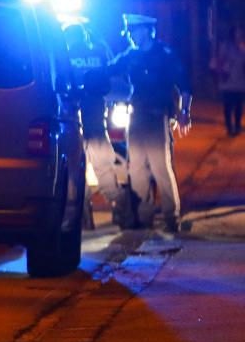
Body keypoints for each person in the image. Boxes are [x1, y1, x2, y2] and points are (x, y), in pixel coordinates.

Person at [110, 14, 192, 233]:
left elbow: (184, 85)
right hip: (136, 117)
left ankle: (171, 218)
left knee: (160, 168)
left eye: (133, 31)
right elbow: (109, 70)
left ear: (146, 30)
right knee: (136, 169)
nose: (130, 36)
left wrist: (184, 112)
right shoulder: (130, 55)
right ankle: (144, 218)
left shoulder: (164, 55)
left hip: (157, 118)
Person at [63, 23, 126, 228]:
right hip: (96, 122)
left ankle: (83, 218)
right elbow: (113, 85)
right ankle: (122, 210)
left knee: (75, 174)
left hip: (74, 123)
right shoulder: (99, 53)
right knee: (105, 170)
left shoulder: (64, 56)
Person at [210, 26, 245, 136]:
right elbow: (217, 62)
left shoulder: (242, 48)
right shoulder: (225, 47)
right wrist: (220, 73)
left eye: (240, 33)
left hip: (240, 82)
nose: (238, 36)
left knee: (239, 106)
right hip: (227, 81)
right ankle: (229, 127)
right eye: (237, 33)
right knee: (228, 106)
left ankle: (237, 125)